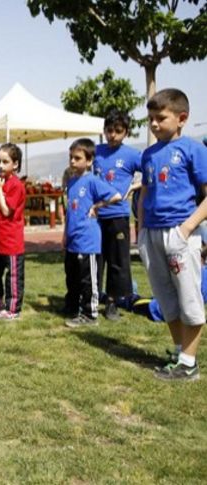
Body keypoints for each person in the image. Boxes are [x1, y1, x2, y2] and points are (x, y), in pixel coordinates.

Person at [137, 88, 207, 381]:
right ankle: (180, 351)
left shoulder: (194, 150)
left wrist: (187, 228)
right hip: (151, 234)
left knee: (189, 297)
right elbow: (144, 193)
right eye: (150, 118)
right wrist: (141, 231)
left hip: (179, 233)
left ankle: (189, 363)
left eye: (160, 118)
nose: (153, 124)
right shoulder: (149, 154)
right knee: (166, 297)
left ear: (181, 118)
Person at [62, 138, 121, 328]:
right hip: (73, 239)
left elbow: (116, 195)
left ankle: (90, 313)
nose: (72, 161)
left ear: (89, 161)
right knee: (72, 277)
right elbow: (70, 211)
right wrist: (65, 234)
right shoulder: (71, 182)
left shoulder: (93, 181)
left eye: (77, 158)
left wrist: (97, 205)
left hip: (87, 240)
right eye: (71, 157)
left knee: (88, 280)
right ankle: (72, 307)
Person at [93, 109, 142, 321]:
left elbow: (150, 175)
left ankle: (113, 302)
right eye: (109, 130)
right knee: (96, 259)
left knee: (117, 261)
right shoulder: (95, 152)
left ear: (126, 133)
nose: (113, 135)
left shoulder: (132, 155)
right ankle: (92, 299)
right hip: (95, 215)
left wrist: (132, 188)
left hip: (118, 216)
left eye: (118, 131)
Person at [0, 143, 27, 320]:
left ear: (15, 164)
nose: (0, 165)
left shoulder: (15, 185)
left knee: (13, 278)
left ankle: (13, 309)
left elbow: (5, 210)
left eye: (5, 162)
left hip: (11, 241)